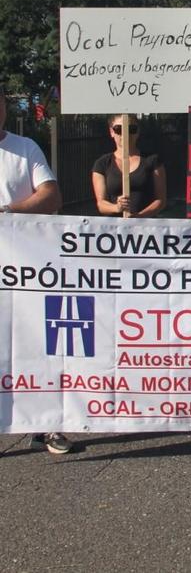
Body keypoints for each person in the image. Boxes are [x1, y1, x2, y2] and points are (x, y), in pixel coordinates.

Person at [0, 87, 68, 455]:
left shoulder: (25, 148)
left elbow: (51, 196)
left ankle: (49, 425)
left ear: (4, 108)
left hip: (26, 271)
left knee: (38, 347)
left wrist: (8, 212)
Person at [92, 115, 167, 218]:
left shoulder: (152, 160)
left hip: (147, 227)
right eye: (119, 129)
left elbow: (161, 200)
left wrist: (139, 217)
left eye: (131, 129)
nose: (125, 134)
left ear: (138, 132)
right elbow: (101, 204)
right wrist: (117, 207)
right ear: (111, 132)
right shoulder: (102, 163)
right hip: (116, 229)